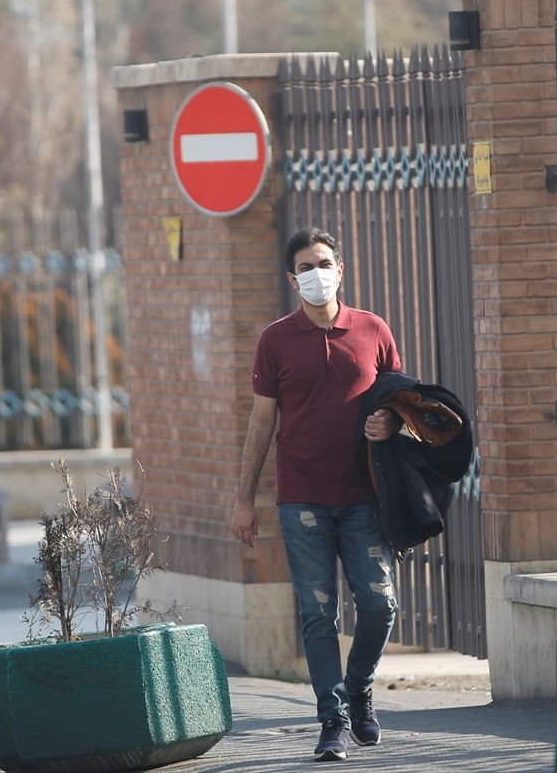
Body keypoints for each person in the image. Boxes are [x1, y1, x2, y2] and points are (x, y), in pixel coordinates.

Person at [230, 227, 403, 762]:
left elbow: (403, 400)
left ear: (341, 269)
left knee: (379, 604)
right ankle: (332, 721)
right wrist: (244, 499)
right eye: (306, 266)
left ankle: (359, 689)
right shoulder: (275, 339)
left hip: (364, 497)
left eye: (324, 262)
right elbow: (261, 424)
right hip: (301, 496)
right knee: (317, 611)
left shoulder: (372, 330)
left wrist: (390, 423)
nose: (316, 273)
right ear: (292, 278)